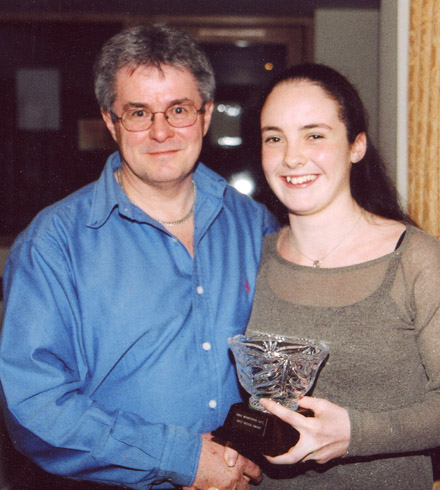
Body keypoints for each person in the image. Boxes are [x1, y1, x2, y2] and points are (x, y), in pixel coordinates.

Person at [0, 24, 277, 490]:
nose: (160, 131)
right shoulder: (52, 244)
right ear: (110, 122)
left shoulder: (256, 226)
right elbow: (35, 407)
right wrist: (182, 458)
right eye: (138, 112)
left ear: (206, 115)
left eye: (179, 109)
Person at [241, 63, 440, 489]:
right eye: (274, 138)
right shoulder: (250, 258)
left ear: (356, 146)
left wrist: (356, 433)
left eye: (314, 134)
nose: (291, 156)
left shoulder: (418, 260)